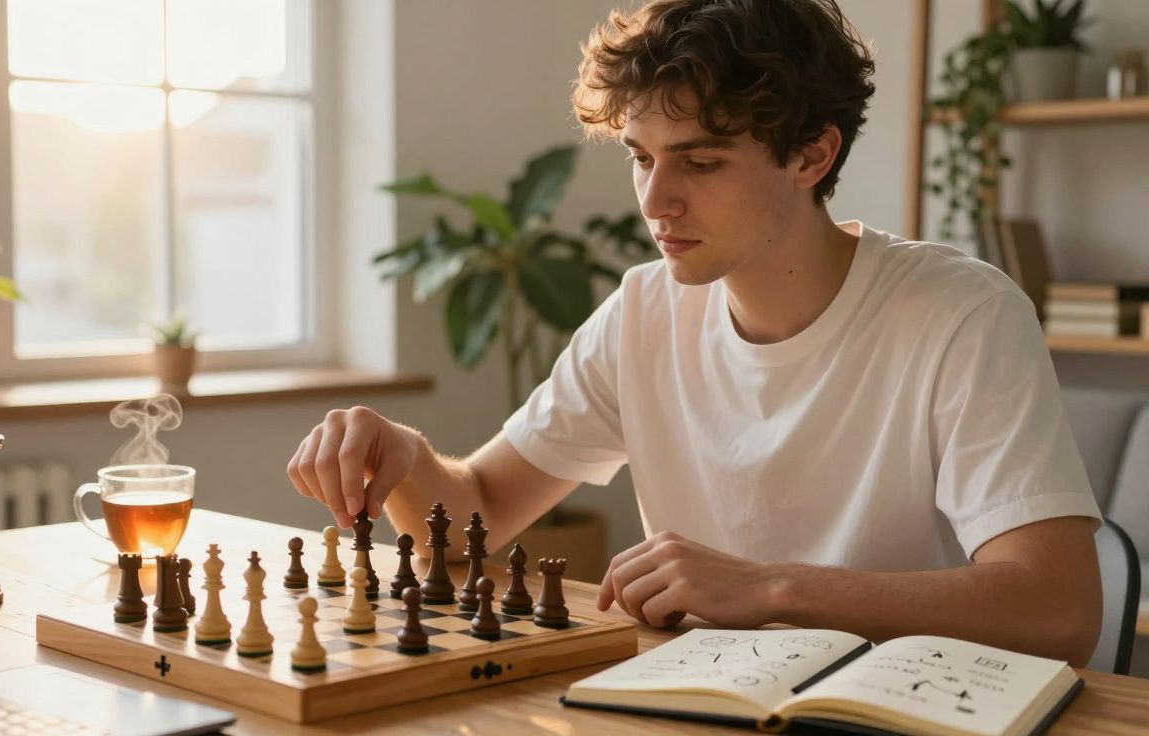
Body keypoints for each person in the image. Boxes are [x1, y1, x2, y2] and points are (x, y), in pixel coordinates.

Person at [287, 0, 1103, 665]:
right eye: (641, 157)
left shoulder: (962, 312)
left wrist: (773, 589)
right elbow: (479, 512)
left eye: (700, 163)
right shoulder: (642, 312)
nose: (654, 201)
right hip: (701, 704)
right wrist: (405, 458)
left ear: (812, 156)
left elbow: (1057, 607)